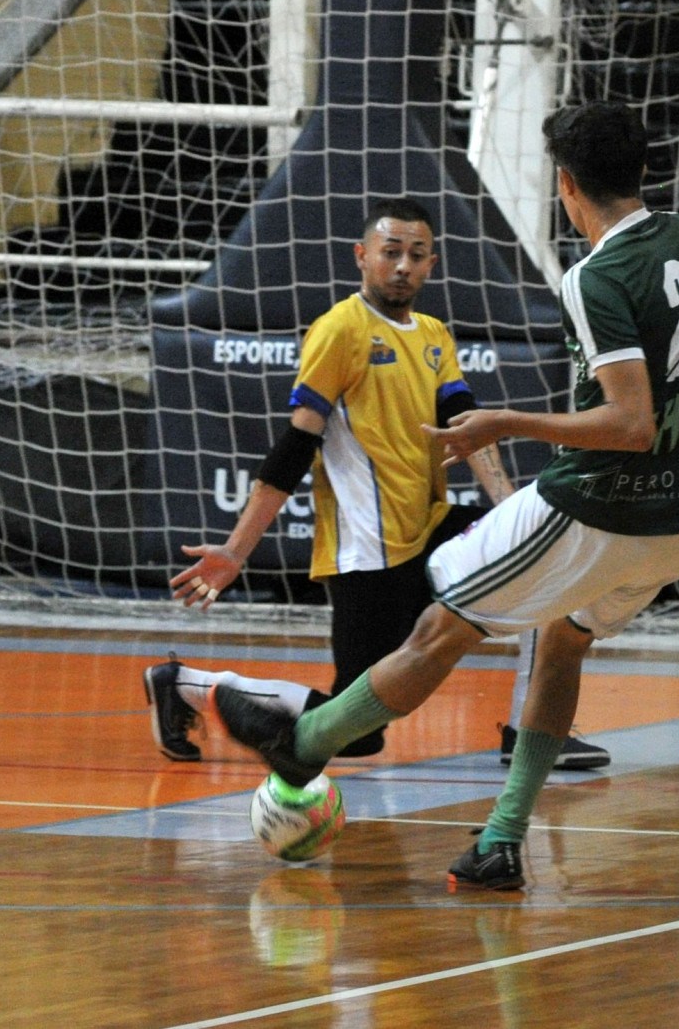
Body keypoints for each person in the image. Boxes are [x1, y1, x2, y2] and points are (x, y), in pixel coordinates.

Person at [198, 100, 679, 891]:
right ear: (640, 169)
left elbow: (630, 425)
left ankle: (306, 741)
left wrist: (507, 419)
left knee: (440, 624)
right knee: (560, 642)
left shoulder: (594, 276)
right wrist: (671, 389)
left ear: (565, 185)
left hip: (600, 506)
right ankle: (500, 841)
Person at [145, 197, 607, 768]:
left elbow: (466, 427)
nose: (403, 266)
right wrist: (236, 552)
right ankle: (185, 684)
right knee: (359, 731)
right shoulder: (340, 329)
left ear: (432, 263)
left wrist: (511, 509)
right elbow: (295, 448)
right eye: (391, 253)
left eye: (416, 254)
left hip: (430, 527)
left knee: (541, 560)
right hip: (368, 550)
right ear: (362, 256)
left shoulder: (433, 334)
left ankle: (533, 731)